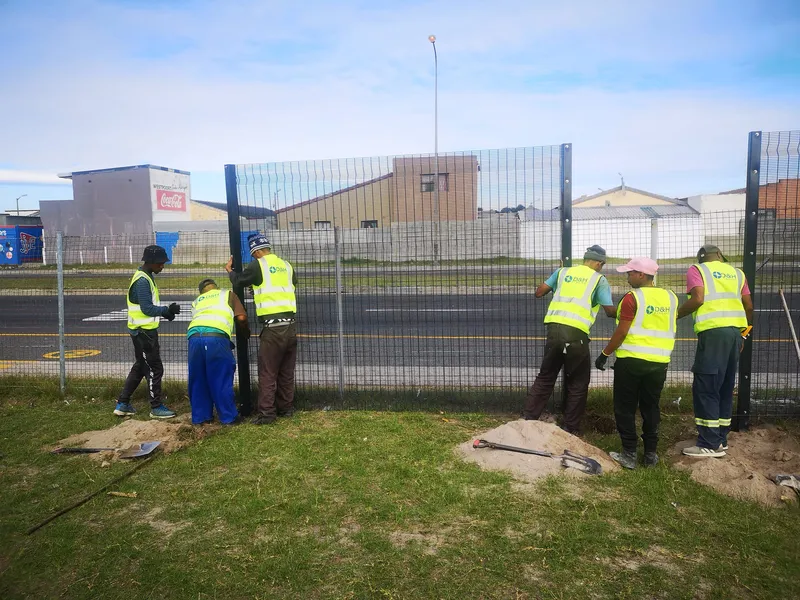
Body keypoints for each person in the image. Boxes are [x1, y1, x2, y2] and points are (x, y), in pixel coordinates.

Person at [595, 257, 678, 469]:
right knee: (651, 407)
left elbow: (622, 331)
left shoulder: (632, 298)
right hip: (659, 362)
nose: (627, 276)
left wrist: (604, 354)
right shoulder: (670, 297)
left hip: (631, 362)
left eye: (630, 273)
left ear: (641, 275)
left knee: (625, 407)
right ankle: (650, 454)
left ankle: (629, 453)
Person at [523, 245, 616, 434]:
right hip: (576, 335)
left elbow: (539, 292)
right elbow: (609, 311)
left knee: (546, 376)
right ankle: (570, 429)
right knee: (578, 382)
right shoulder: (599, 280)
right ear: (599, 263)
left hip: (554, 330)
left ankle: (527, 420)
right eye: (602, 265)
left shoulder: (562, 272)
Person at [677, 244, 753, 458]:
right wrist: (744, 333)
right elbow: (748, 306)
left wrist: (674, 315)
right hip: (734, 334)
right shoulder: (737, 273)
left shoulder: (697, 270)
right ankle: (720, 438)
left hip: (712, 335)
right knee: (724, 387)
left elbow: (698, 298)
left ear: (701, 259)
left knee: (706, 386)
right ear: (720, 256)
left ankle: (708, 444)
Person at [226, 234, 298, 425]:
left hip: (273, 329)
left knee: (268, 372)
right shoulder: (286, 265)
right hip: (290, 327)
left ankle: (267, 414)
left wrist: (230, 272)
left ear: (255, 251)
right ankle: (286, 408)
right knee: (286, 372)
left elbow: (239, 281)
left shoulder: (259, 265)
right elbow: (285, 287)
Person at [114, 245, 181, 419]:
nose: (162, 266)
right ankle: (156, 407)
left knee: (140, 367)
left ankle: (123, 404)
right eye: (160, 263)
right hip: (144, 333)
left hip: (141, 331)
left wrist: (166, 313)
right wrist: (166, 310)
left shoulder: (146, 276)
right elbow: (146, 309)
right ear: (150, 262)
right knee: (155, 368)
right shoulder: (143, 281)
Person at [187, 278, 250, 426]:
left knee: (198, 379)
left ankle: (201, 418)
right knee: (220, 378)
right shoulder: (227, 294)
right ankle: (229, 417)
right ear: (216, 287)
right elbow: (241, 318)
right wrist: (245, 331)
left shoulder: (197, 301)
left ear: (202, 291)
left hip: (194, 338)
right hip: (216, 337)